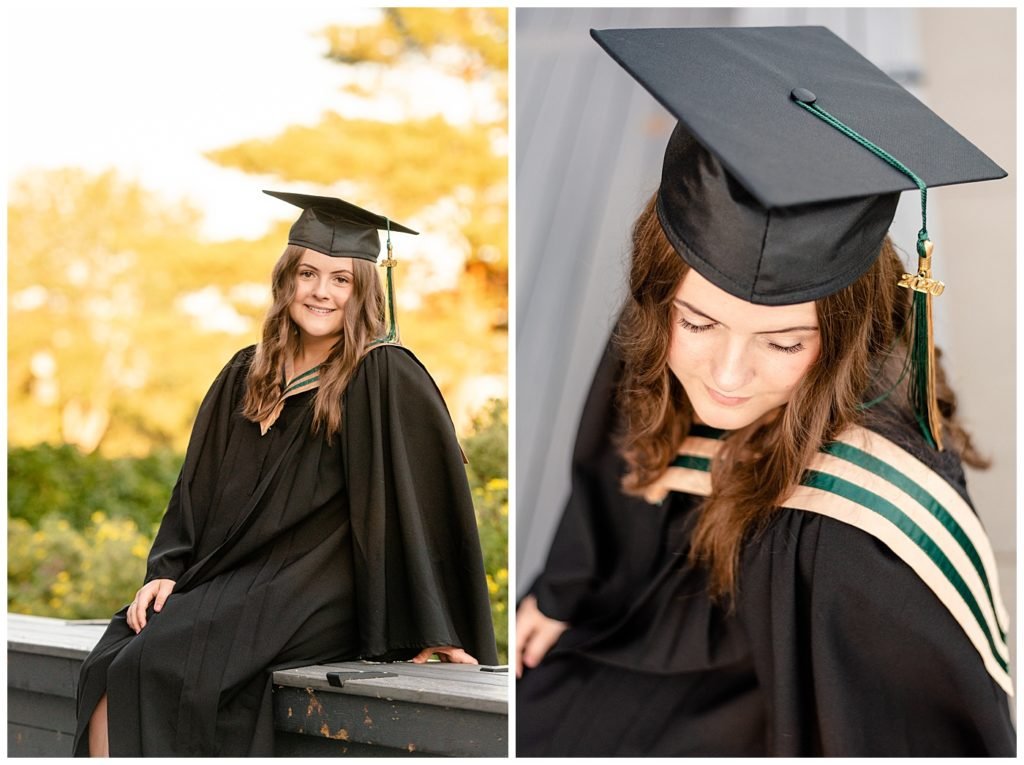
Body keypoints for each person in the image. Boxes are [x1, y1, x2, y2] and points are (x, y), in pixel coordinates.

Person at [516, 26, 1014, 756]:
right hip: (649, 618)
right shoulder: (665, 318)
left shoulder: (860, 536)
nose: (725, 374)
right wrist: (568, 584)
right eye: (697, 321)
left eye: (783, 342)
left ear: (845, 336)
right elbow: (616, 457)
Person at [73, 190, 498, 757]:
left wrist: (433, 625)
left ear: (364, 290)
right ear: (286, 282)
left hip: (317, 584)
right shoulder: (244, 374)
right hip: (236, 573)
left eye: (341, 279)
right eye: (309, 273)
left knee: (160, 662)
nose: (322, 291)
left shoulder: (380, 373)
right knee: (114, 654)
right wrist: (166, 568)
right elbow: (193, 488)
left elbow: (423, 504)